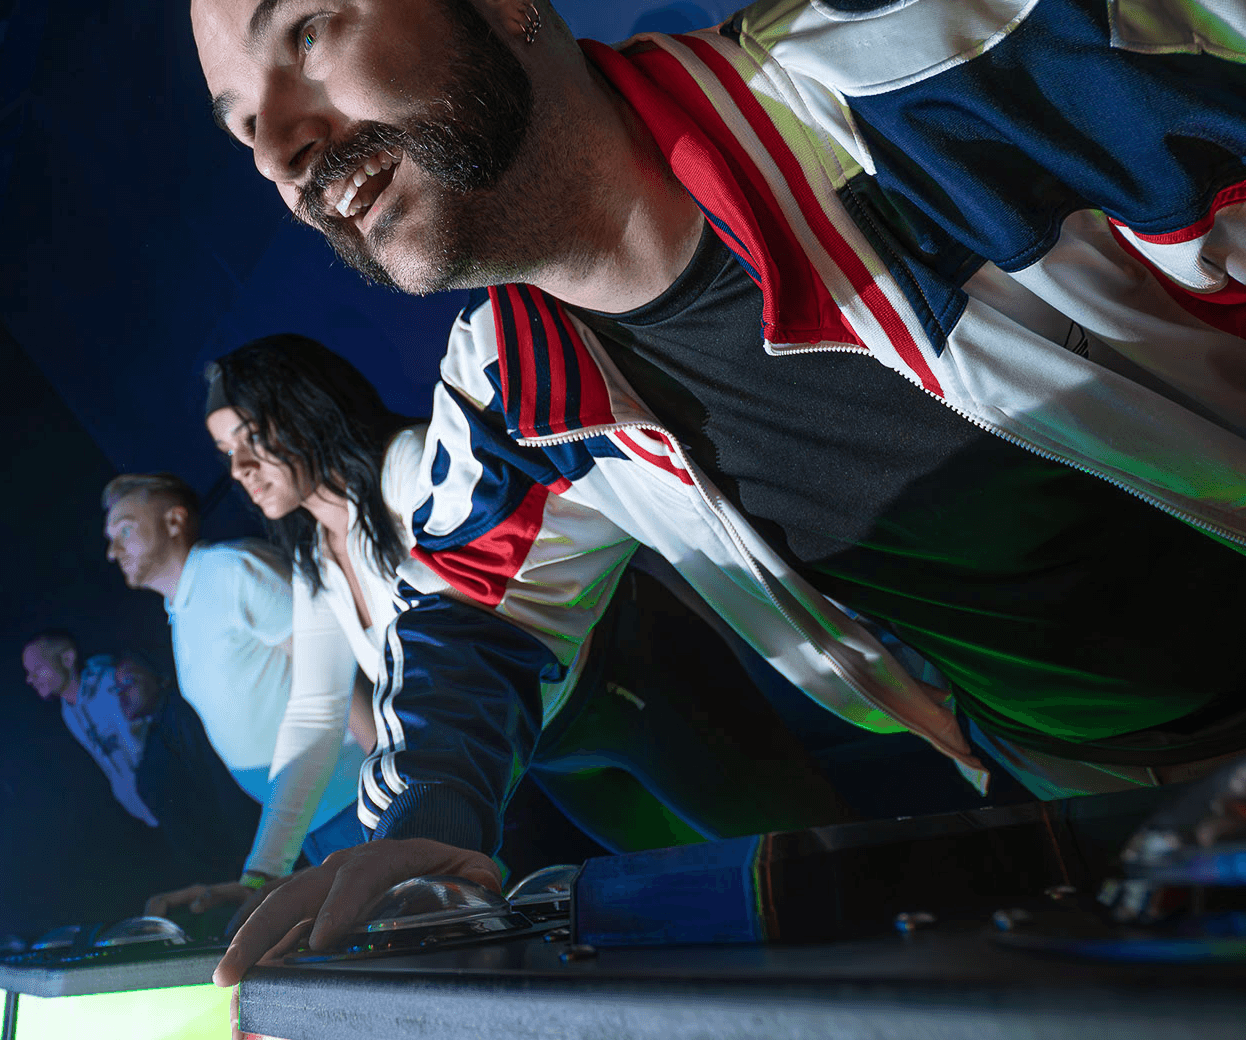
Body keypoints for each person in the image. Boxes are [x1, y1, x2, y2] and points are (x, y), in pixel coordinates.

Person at [188, 0, 1246, 977]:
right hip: (1095, 825)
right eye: (243, 126)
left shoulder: (929, 75)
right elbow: (474, 613)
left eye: (306, 33)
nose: (283, 149)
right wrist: (433, 812)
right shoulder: (513, 389)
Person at [202, 333, 863, 865]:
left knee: (809, 854)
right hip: (549, 746)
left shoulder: (407, 465)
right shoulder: (317, 555)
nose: (238, 469)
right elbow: (315, 711)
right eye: (226, 451)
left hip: (630, 681)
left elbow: (483, 609)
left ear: (305, 410)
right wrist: (262, 872)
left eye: (251, 439)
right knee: (687, 895)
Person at [100, 472, 368, 920]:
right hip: (312, 820)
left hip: (356, 799)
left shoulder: (230, 570)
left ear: (174, 521)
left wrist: (401, 782)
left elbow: (335, 667)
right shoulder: (181, 608)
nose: (113, 551)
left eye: (125, 529)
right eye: (110, 538)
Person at [113, 651, 264, 886]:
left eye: (130, 682)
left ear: (160, 678)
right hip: (214, 864)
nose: (122, 694)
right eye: (117, 688)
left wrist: (248, 858)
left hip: (235, 857)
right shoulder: (158, 726)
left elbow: (218, 783)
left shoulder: (181, 715)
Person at [19, 630, 157, 829]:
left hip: (168, 794)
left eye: (37, 669)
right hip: (145, 811)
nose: (30, 679)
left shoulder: (110, 683)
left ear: (67, 658)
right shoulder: (68, 711)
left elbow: (143, 747)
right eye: (28, 673)